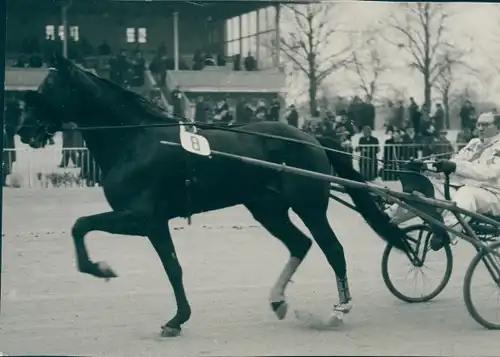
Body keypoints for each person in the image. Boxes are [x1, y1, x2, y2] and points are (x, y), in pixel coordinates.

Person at [426, 112, 500, 250]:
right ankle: (389, 216)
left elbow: (487, 172)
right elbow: (456, 161)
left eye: (485, 124)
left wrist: (455, 167)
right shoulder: (474, 143)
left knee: (467, 193)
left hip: (493, 195)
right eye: (478, 124)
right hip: (467, 189)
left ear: (498, 127)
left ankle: (446, 233)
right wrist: (430, 167)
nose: (480, 128)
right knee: (427, 187)